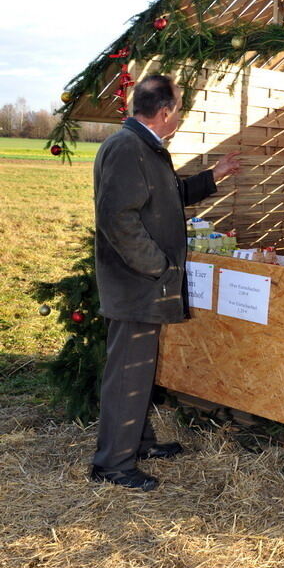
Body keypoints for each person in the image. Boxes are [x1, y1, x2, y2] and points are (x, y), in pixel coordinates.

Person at [90, 74, 240, 491]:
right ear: (164, 111)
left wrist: (214, 175)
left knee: (138, 369)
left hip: (143, 284)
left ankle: (138, 443)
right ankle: (112, 465)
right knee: (127, 373)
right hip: (136, 284)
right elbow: (118, 219)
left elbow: (169, 196)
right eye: (179, 108)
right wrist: (158, 267)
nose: (180, 116)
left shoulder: (145, 146)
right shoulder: (127, 148)